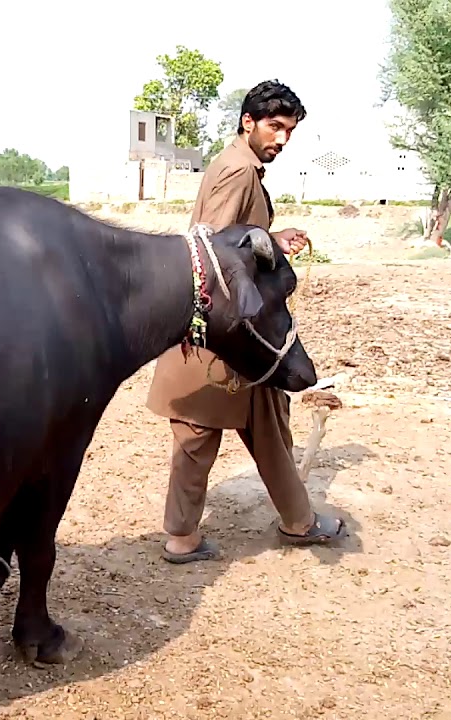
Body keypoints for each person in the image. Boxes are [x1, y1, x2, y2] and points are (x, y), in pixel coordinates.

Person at [145, 79, 347, 563]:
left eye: (289, 131)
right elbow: (214, 252)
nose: (281, 139)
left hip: (227, 327)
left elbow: (227, 240)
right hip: (229, 331)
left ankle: (189, 536)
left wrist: (271, 238)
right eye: (275, 127)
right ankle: (288, 523)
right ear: (248, 122)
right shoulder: (237, 172)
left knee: (252, 423)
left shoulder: (239, 166)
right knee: (210, 430)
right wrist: (270, 246)